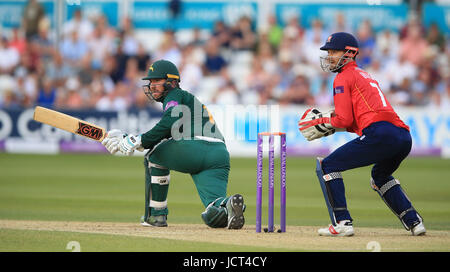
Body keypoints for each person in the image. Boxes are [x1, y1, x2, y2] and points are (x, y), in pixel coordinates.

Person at [298, 32, 426, 237]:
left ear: (349, 53)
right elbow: (356, 120)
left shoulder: (342, 77)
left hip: (380, 133)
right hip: (402, 136)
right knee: (380, 176)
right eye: (328, 52)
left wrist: (323, 122)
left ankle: (343, 223)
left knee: (327, 165)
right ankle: (414, 222)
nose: (329, 56)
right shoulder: (363, 74)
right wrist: (334, 124)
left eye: (333, 51)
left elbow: (344, 120)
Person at [101, 59, 245, 229]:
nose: (152, 85)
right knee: (213, 213)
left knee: (153, 157)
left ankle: (156, 216)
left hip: (195, 147)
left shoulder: (175, 94)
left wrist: (139, 140)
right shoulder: (188, 101)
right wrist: (129, 139)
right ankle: (229, 205)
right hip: (218, 154)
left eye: (157, 81)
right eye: (151, 82)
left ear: (172, 82)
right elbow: (165, 134)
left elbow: (169, 121)